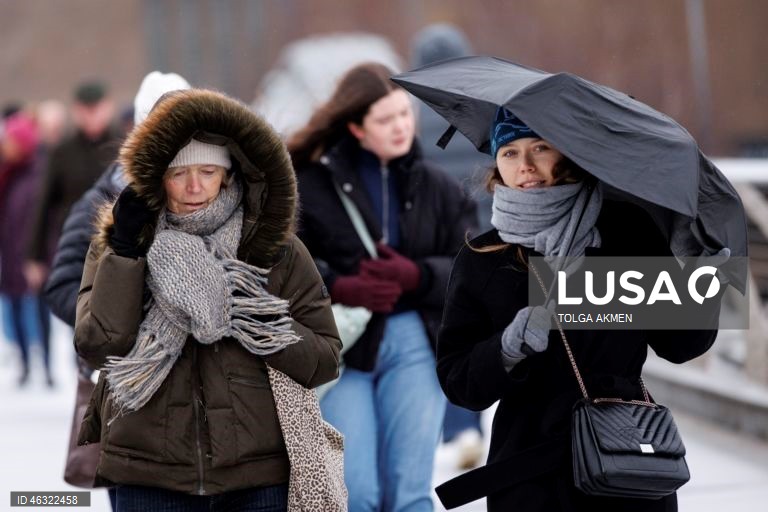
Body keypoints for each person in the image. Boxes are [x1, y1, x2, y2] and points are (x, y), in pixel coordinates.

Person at [436, 107, 722, 511]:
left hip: (628, 464)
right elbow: (459, 383)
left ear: (567, 152)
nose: (526, 165)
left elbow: (681, 345)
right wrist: (507, 347)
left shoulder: (626, 231)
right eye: (510, 153)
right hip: (529, 475)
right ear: (497, 164)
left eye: (540, 147)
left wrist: (697, 277)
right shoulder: (484, 256)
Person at [73, 88, 343, 511]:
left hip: (258, 478)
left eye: (208, 171)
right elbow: (98, 346)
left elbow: (324, 359)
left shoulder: (273, 250)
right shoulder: (119, 247)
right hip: (148, 475)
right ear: (155, 177)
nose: (195, 186)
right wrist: (126, 254)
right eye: (179, 173)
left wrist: (252, 313)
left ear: (230, 174)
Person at [288, 62, 477, 511]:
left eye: (404, 114)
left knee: (408, 492)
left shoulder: (441, 188)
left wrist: (419, 275)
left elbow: (473, 269)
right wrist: (339, 284)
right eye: (385, 119)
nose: (400, 127)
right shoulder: (308, 185)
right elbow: (283, 258)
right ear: (355, 127)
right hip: (343, 347)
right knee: (357, 493)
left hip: (416, 339)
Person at [410, 22, 492, 471]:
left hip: (438, 244)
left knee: (447, 336)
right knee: (479, 334)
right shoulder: (485, 109)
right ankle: (468, 427)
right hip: (487, 238)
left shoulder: (411, 115)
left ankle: (454, 427)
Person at [24, 79, 119, 297]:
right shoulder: (62, 152)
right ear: (76, 111)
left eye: (96, 108)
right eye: (85, 109)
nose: (91, 115)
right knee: (77, 316)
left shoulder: (124, 146)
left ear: (108, 107)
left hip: (117, 248)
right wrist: (34, 256)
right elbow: (45, 204)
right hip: (74, 247)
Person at [0, 113, 52, 387]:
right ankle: (24, 364)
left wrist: (39, 256)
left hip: (33, 256)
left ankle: (46, 366)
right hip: (9, 254)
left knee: (39, 309)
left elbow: (43, 219)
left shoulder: (39, 174)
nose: (5, 144)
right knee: (16, 308)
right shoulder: (7, 174)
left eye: (9, 140)